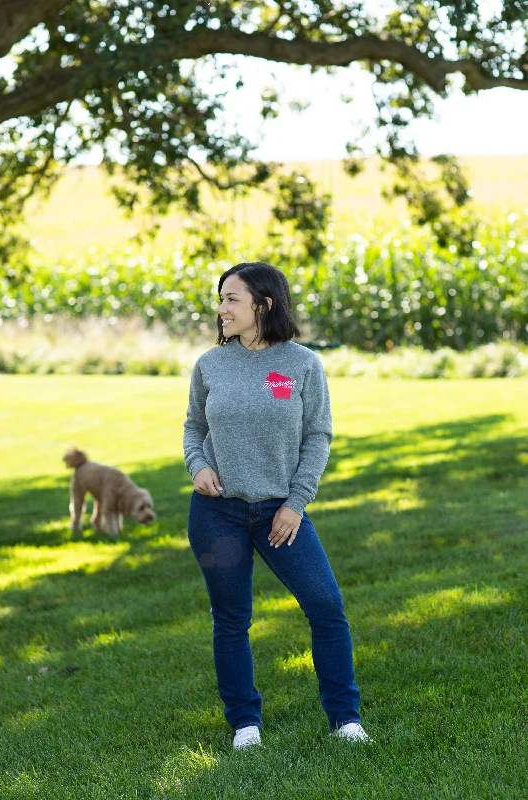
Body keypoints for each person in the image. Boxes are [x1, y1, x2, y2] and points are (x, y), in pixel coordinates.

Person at [183, 261, 371, 750]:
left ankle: (345, 719)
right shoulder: (209, 365)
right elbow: (194, 430)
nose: (221, 308)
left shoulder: (302, 364)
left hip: (280, 512)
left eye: (231, 299)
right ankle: (245, 724)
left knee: (326, 606)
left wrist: (296, 502)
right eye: (221, 298)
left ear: (263, 305)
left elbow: (318, 435)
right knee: (231, 618)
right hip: (217, 512)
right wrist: (197, 466)